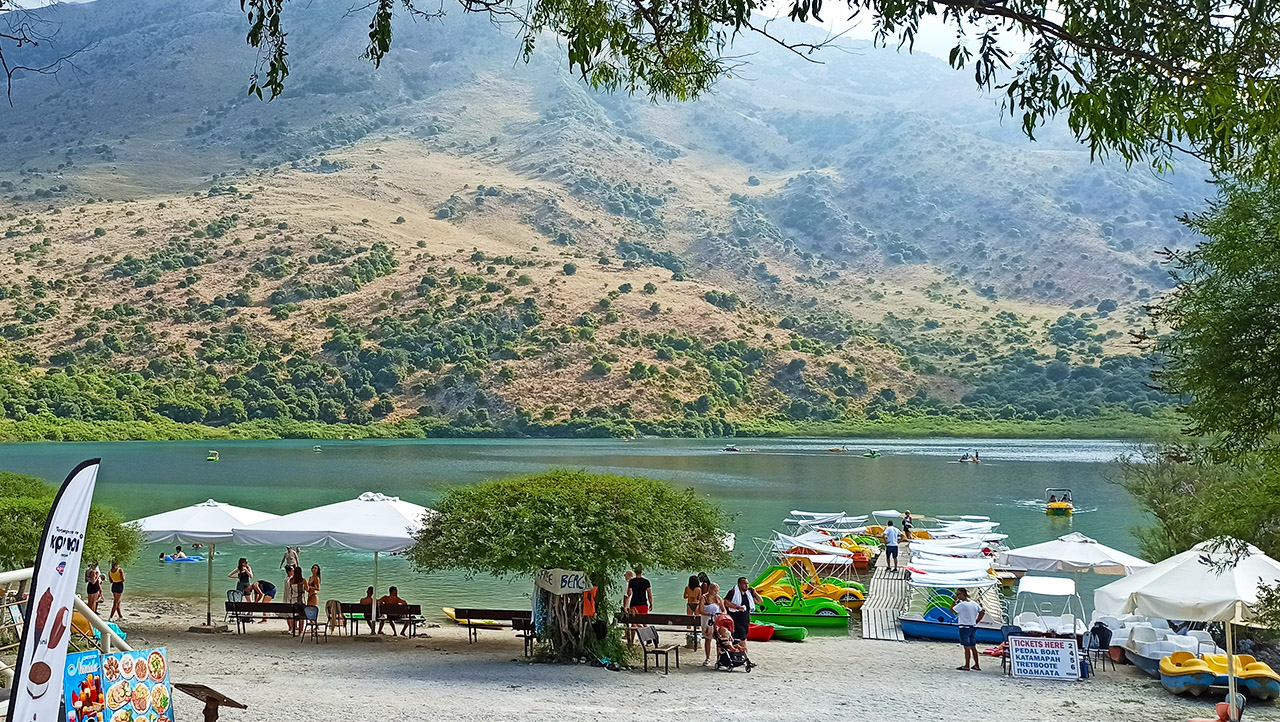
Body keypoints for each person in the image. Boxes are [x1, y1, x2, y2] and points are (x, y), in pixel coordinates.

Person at [951, 587, 985, 671]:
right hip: (972, 626)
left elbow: (952, 610)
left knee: (966, 647)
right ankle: (977, 665)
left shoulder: (962, 605)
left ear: (963, 594)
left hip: (964, 627)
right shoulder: (973, 603)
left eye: (958, 594)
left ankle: (967, 665)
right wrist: (976, 621)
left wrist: (954, 601)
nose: (957, 596)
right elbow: (982, 612)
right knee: (973, 646)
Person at [722, 577, 761, 643]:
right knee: (740, 637)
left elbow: (760, 601)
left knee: (744, 636)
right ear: (739, 584)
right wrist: (737, 607)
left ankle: (739, 650)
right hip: (735, 619)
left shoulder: (749, 594)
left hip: (745, 619)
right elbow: (726, 602)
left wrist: (755, 593)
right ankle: (740, 650)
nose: (746, 585)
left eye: (747, 584)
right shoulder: (733, 592)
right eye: (744, 584)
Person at [700, 582, 722, 666]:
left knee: (719, 639)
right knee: (708, 639)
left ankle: (719, 658)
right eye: (715, 591)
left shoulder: (718, 598)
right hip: (707, 620)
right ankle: (707, 658)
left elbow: (723, 609)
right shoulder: (704, 598)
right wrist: (709, 614)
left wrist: (721, 615)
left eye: (717, 591)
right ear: (710, 589)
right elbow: (700, 610)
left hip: (717, 620)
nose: (716, 592)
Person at [284, 566, 306, 635]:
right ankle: (301, 630)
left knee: (294, 615)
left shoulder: (291, 581)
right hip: (301, 600)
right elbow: (307, 588)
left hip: (294, 600)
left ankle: (293, 629)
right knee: (301, 616)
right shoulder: (303, 580)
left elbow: (290, 590)